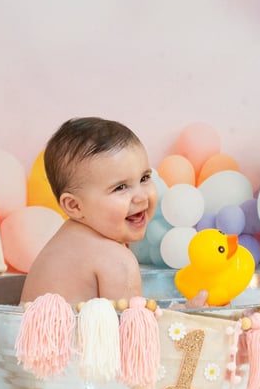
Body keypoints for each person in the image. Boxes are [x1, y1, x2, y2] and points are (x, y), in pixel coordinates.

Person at [21, 116, 158, 307]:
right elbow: (132, 331)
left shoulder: (62, 242)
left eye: (144, 178)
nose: (141, 197)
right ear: (74, 206)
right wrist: (181, 316)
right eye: (120, 187)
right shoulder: (117, 260)